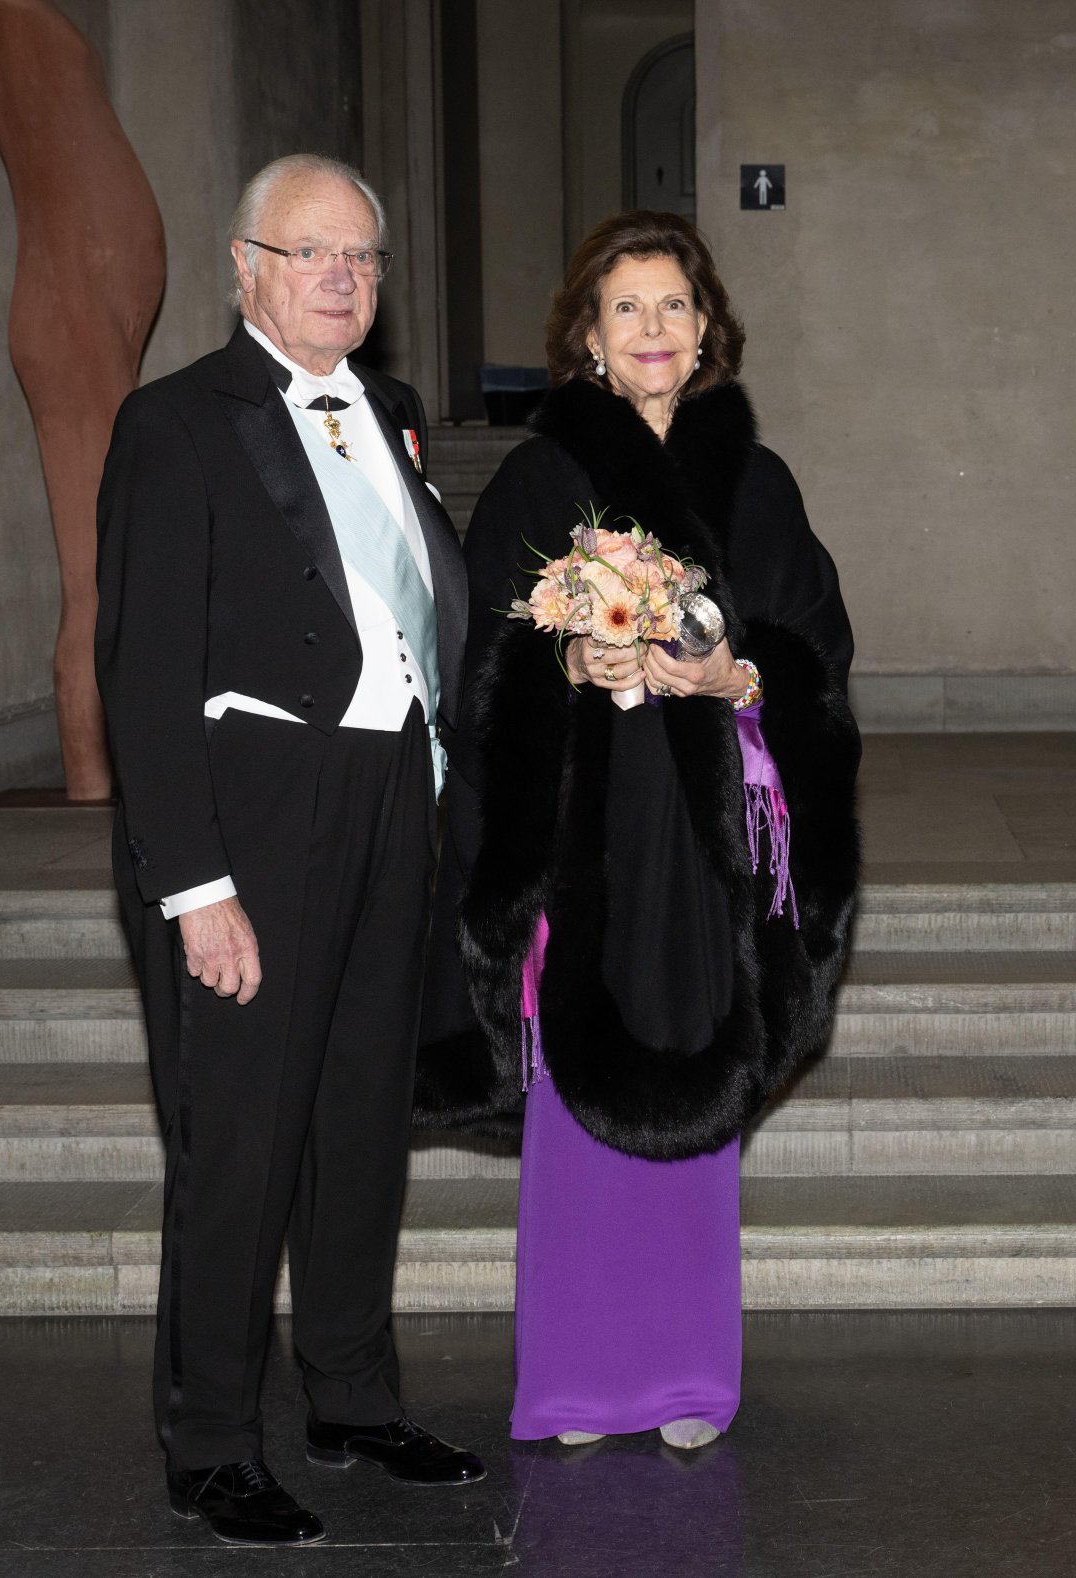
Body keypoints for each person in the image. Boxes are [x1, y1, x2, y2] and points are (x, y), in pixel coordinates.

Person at [417, 211, 860, 1449]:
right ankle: (575, 1379)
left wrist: (736, 679)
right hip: (587, 835)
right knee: (578, 1097)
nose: (654, 331)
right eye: (628, 310)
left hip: (711, 838)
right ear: (589, 340)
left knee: (700, 1085)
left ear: (707, 329)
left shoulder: (758, 482)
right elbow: (481, 666)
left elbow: (818, 646)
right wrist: (572, 653)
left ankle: (685, 1381)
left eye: (675, 306)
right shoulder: (540, 477)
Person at [95, 153, 482, 1550]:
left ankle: (351, 1394)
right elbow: (141, 674)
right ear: (244, 267)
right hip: (250, 823)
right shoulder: (174, 422)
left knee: (359, 1125)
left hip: (390, 803)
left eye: (364, 259)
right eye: (311, 252)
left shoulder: (387, 409)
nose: (343, 277)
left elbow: (416, 607)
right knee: (241, 1144)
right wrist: (194, 884)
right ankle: (209, 1443)